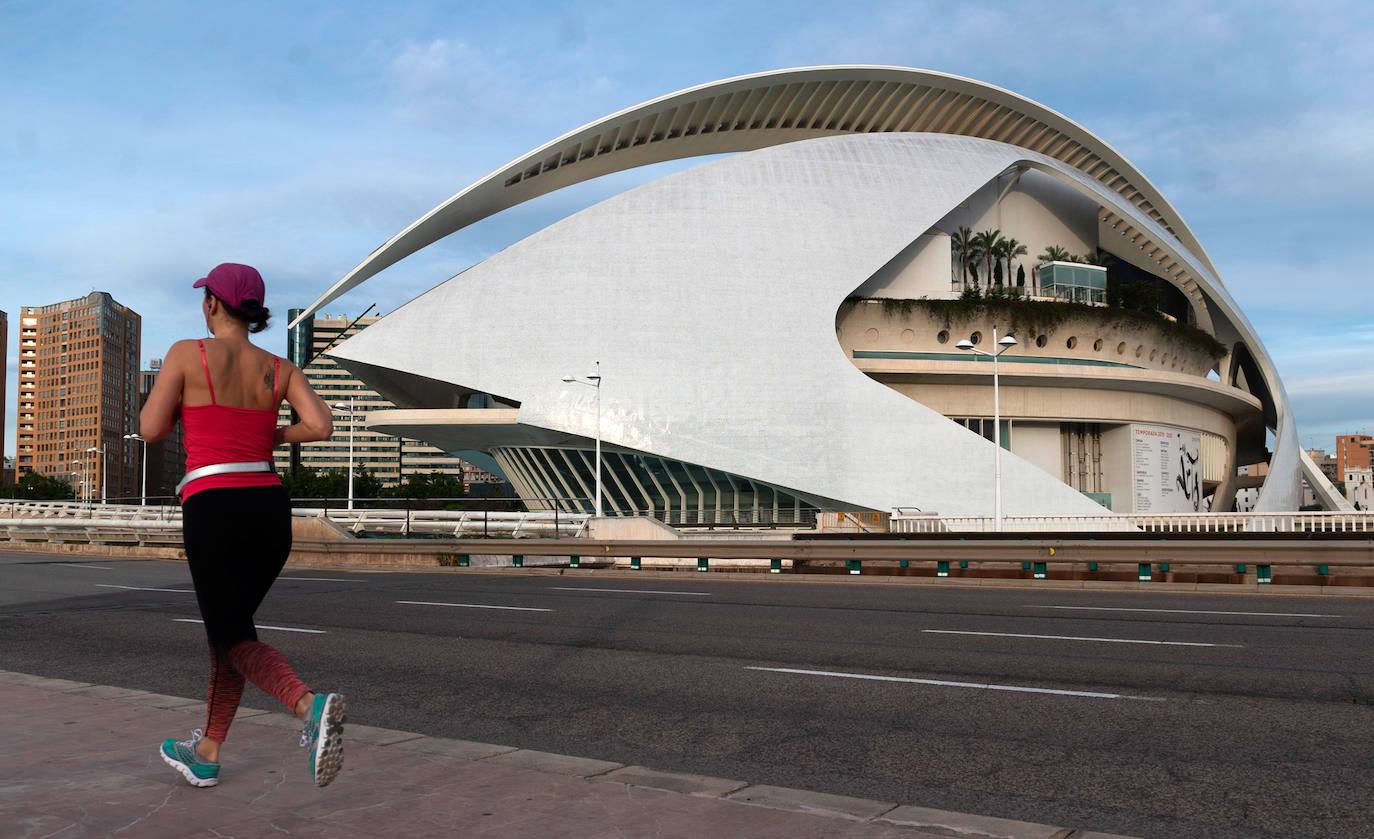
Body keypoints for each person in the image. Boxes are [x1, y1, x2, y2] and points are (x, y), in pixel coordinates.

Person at [140, 262, 345, 788]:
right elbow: (320, 425)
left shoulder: (188, 354)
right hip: (270, 511)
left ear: (212, 304)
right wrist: (274, 437)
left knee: (230, 634)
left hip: (214, 506)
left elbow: (151, 428)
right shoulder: (280, 368)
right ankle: (206, 751)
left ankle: (307, 705)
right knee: (229, 634)